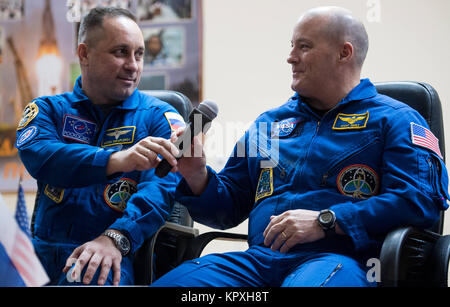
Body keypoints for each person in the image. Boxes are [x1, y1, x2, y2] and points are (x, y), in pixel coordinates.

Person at [152, 6, 449, 287]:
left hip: (342, 261)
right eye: (291, 46)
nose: (290, 57)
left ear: (343, 53)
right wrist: (197, 176)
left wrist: (328, 221)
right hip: (258, 264)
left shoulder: (396, 119)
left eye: (303, 47)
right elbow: (227, 210)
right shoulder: (268, 123)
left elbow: (419, 201)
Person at [15, 7, 184, 286]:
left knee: (90, 275)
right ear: (84, 54)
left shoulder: (161, 118)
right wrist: (116, 160)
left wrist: (116, 238)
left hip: (110, 254)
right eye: (120, 52)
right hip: (40, 254)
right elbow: (42, 157)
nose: (133, 65)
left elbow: (161, 189)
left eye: (139, 54)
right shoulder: (46, 110)